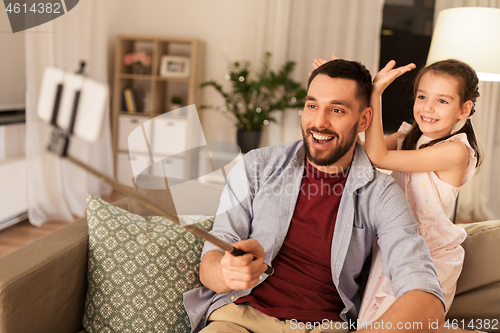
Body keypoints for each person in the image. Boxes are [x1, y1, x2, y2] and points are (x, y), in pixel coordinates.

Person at [184, 59, 445, 333]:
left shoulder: (381, 194)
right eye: (312, 106)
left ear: (364, 120)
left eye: (336, 109)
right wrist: (227, 271)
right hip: (239, 318)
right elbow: (212, 263)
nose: (319, 122)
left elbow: (426, 296)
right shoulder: (256, 166)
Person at [355, 58, 480, 331]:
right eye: (422, 96)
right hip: (394, 241)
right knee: (375, 322)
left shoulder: (456, 152)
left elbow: (378, 156)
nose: (427, 107)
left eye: (442, 101)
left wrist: (376, 94)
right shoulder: (408, 136)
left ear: (464, 109)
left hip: (428, 253)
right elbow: (360, 151)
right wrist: (344, 99)